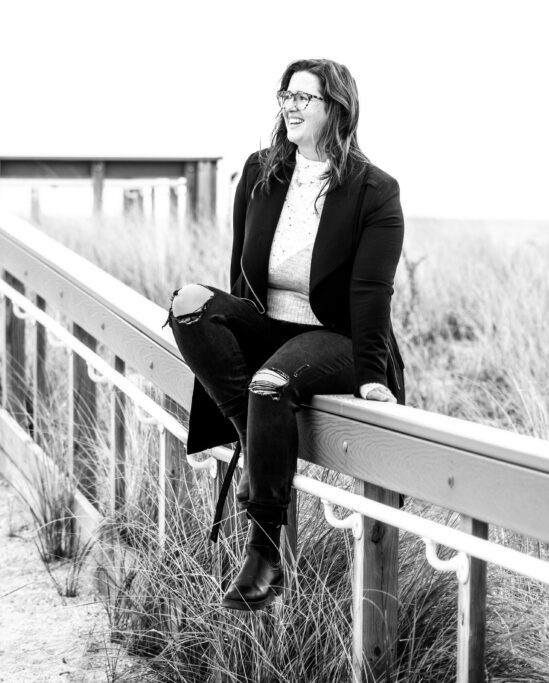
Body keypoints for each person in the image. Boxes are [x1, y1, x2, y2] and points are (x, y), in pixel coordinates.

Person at [166, 58, 405, 611]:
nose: (290, 106)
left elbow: (372, 293)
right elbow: (240, 271)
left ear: (336, 110)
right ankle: (254, 437)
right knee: (190, 305)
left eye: (305, 97)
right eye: (286, 95)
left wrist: (371, 377)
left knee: (271, 383)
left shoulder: (374, 191)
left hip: (335, 336)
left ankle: (265, 555)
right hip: (269, 324)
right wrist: (232, 340)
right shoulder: (260, 172)